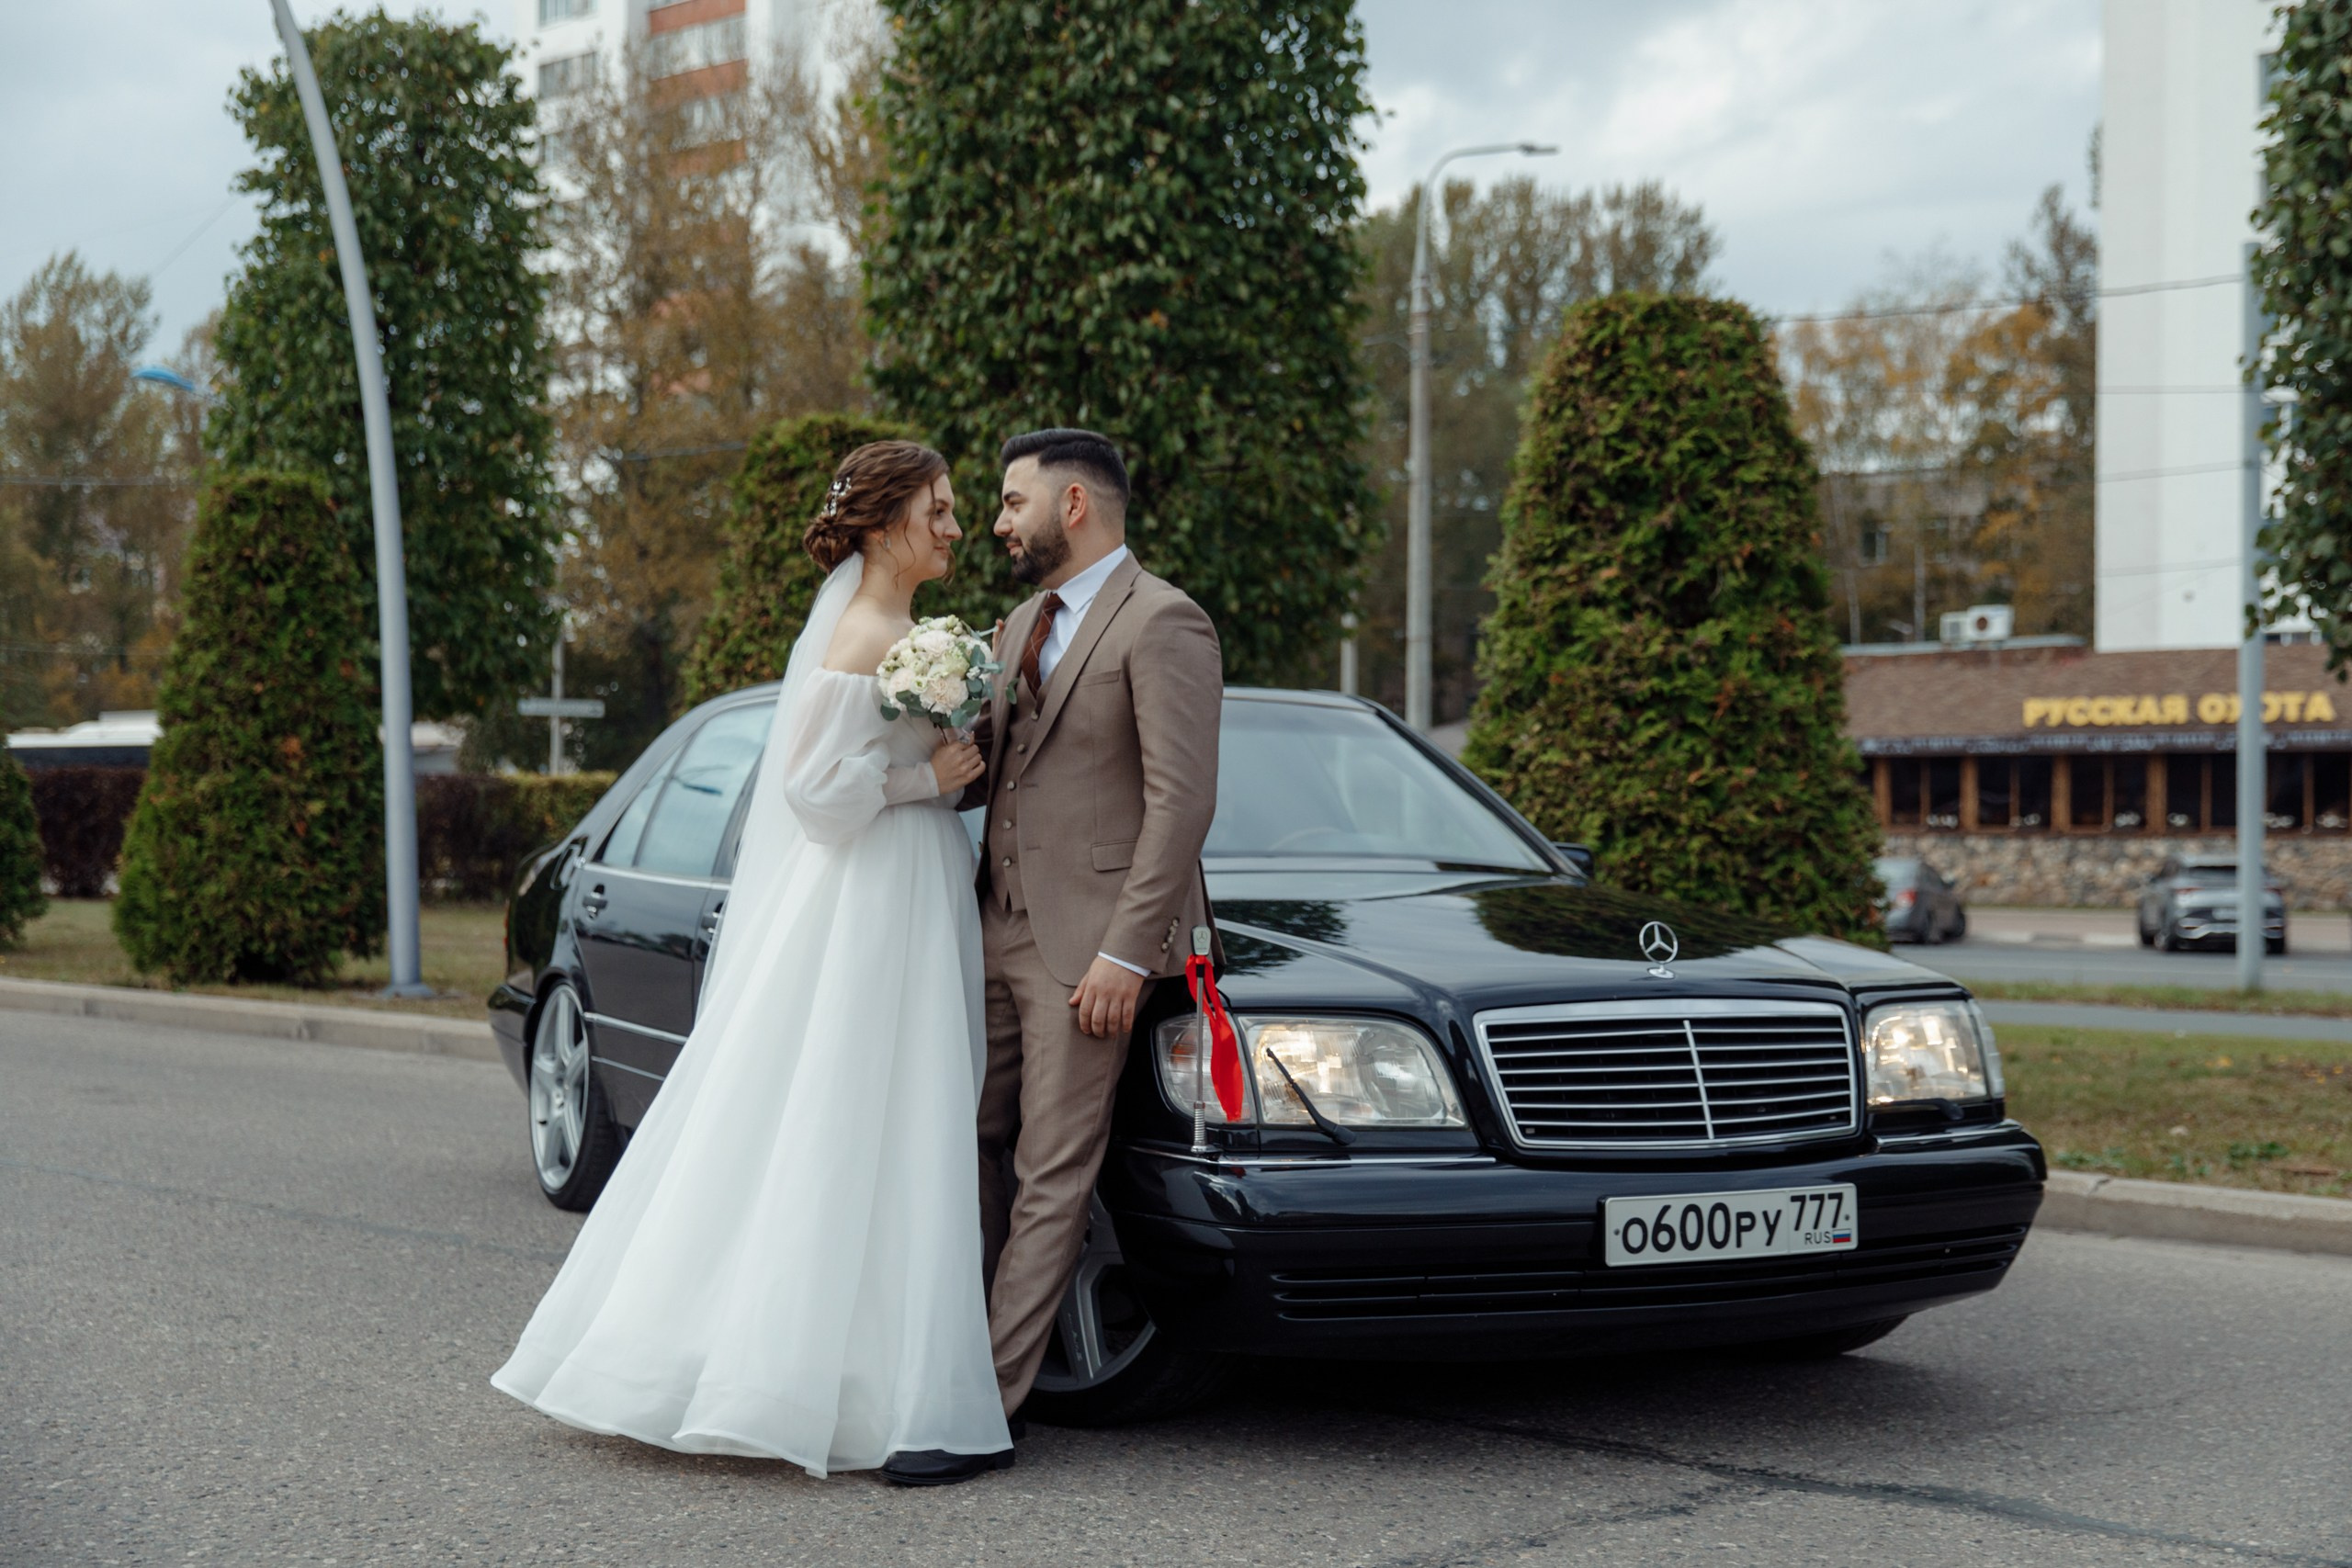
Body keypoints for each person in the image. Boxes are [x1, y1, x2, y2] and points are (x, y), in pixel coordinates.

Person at [491, 440, 1013, 1483]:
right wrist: (930, 780)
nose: (955, 528)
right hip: (866, 901)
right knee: (859, 1115)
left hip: (903, 888)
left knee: (892, 1120)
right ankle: (835, 1387)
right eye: (939, 511)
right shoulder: (868, 632)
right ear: (880, 524)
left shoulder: (907, 632)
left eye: (957, 511)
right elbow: (814, 795)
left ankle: (869, 1376)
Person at [953, 428, 1223, 1483]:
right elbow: (994, 776)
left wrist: (1125, 951)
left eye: (1011, 501)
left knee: (1049, 1173)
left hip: (1087, 949)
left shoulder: (1165, 621)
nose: (996, 522)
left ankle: (985, 1402)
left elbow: (1180, 801)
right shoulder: (1022, 620)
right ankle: (935, 1357)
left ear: (1074, 503)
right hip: (994, 926)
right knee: (955, 1140)